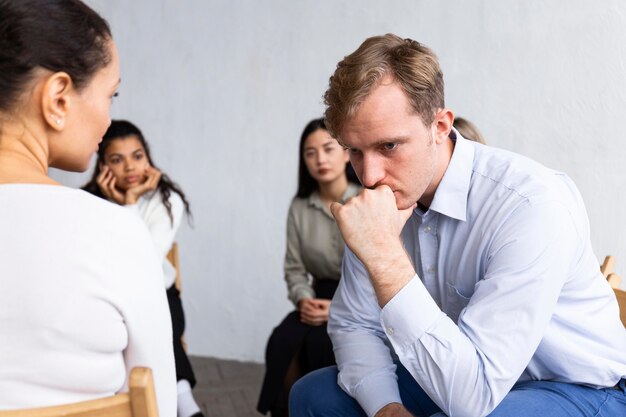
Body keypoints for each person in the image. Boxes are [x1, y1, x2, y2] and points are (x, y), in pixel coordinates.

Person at [289, 34, 626, 417]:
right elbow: (355, 326)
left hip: (578, 388)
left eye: (389, 147)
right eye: (354, 150)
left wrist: (383, 254)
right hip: (459, 370)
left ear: (440, 126)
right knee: (312, 395)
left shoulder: (531, 205)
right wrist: (387, 409)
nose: (369, 177)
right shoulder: (375, 203)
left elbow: (473, 398)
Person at [0, 1, 175, 415]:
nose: (108, 117)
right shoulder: (114, 231)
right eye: (110, 94)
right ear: (59, 98)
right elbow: (160, 405)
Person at [82, 120, 204, 417]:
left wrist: (130, 204)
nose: (130, 167)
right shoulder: (86, 203)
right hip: (108, 294)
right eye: (116, 159)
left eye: (137, 156)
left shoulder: (166, 200)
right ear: (103, 166)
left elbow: (144, 263)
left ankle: (180, 401)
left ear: (148, 156)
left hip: (156, 291)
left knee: (159, 315)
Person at [257, 118, 360, 417]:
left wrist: (338, 308)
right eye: (310, 153)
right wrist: (303, 299)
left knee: (320, 342)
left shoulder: (366, 198)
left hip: (359, 297)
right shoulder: (300, 206)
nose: (320, 159)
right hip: (316, 296)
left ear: (345, 152)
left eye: (328, 149)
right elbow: (294, 268)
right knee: (282, 340)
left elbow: (375, 270)